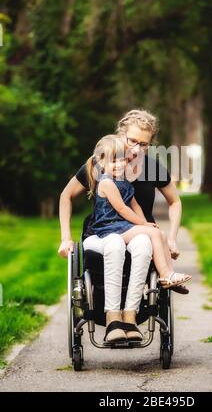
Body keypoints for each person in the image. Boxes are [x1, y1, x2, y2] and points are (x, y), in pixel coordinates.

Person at [58, 109, 186, 343]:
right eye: (132, 141)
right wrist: (66, 238)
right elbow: (66, 196)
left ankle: (130, 317)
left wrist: (173, 237)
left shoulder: (152, 167)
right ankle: (111, 318)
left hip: (140, 233)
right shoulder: (102, 163)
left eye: (144, 144)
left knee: (143, 244)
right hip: (106, 232)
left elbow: (174, 201)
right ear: (120, 134)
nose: (137, 149)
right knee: (117, 244)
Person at [91, 134, 191, 295]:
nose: (119, 165)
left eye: (122, 160)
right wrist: (144, 226)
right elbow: (123, 209)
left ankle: (170, 276)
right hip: (110, 227)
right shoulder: (107, 182)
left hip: (123, 226)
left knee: (159, 233)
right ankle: (165, 274)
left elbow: (134, 204)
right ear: (102, 162)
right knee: (153, 232)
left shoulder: (123, 180)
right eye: (113, 161)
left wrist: (145, 223)